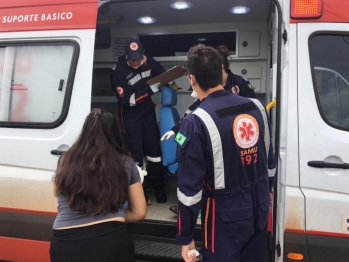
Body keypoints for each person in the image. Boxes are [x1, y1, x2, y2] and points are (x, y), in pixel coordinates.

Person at [175, 44, 277, 262]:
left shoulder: (196, 120)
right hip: (259, 205)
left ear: (192, 79)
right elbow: (270, 162)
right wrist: (266, 193)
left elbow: (189, 190)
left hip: (224, 217)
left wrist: (185, 237)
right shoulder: (256, 107)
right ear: (222, 72)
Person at [50, 108, 147, 262]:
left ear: (85, 131)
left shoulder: (65, 160)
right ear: (115, 133)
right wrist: (113, 216)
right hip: (111, 243)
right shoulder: (126, 164)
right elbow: (139, 212)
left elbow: (56, 192)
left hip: (65, 244)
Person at [111, 38, 167, 203]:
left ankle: (158, 186)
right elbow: (127, 101)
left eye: (138, 57)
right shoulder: (117, 72)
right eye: (132, 58)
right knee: (134, 156)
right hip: (130, 117)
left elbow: (162, 76)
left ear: (142, 53)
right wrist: (151, 89)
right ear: (126, 56)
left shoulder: (148, 61)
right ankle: (139, 192)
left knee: (154, 153)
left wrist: (164, 82)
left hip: (148, 113)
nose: (136, 61)